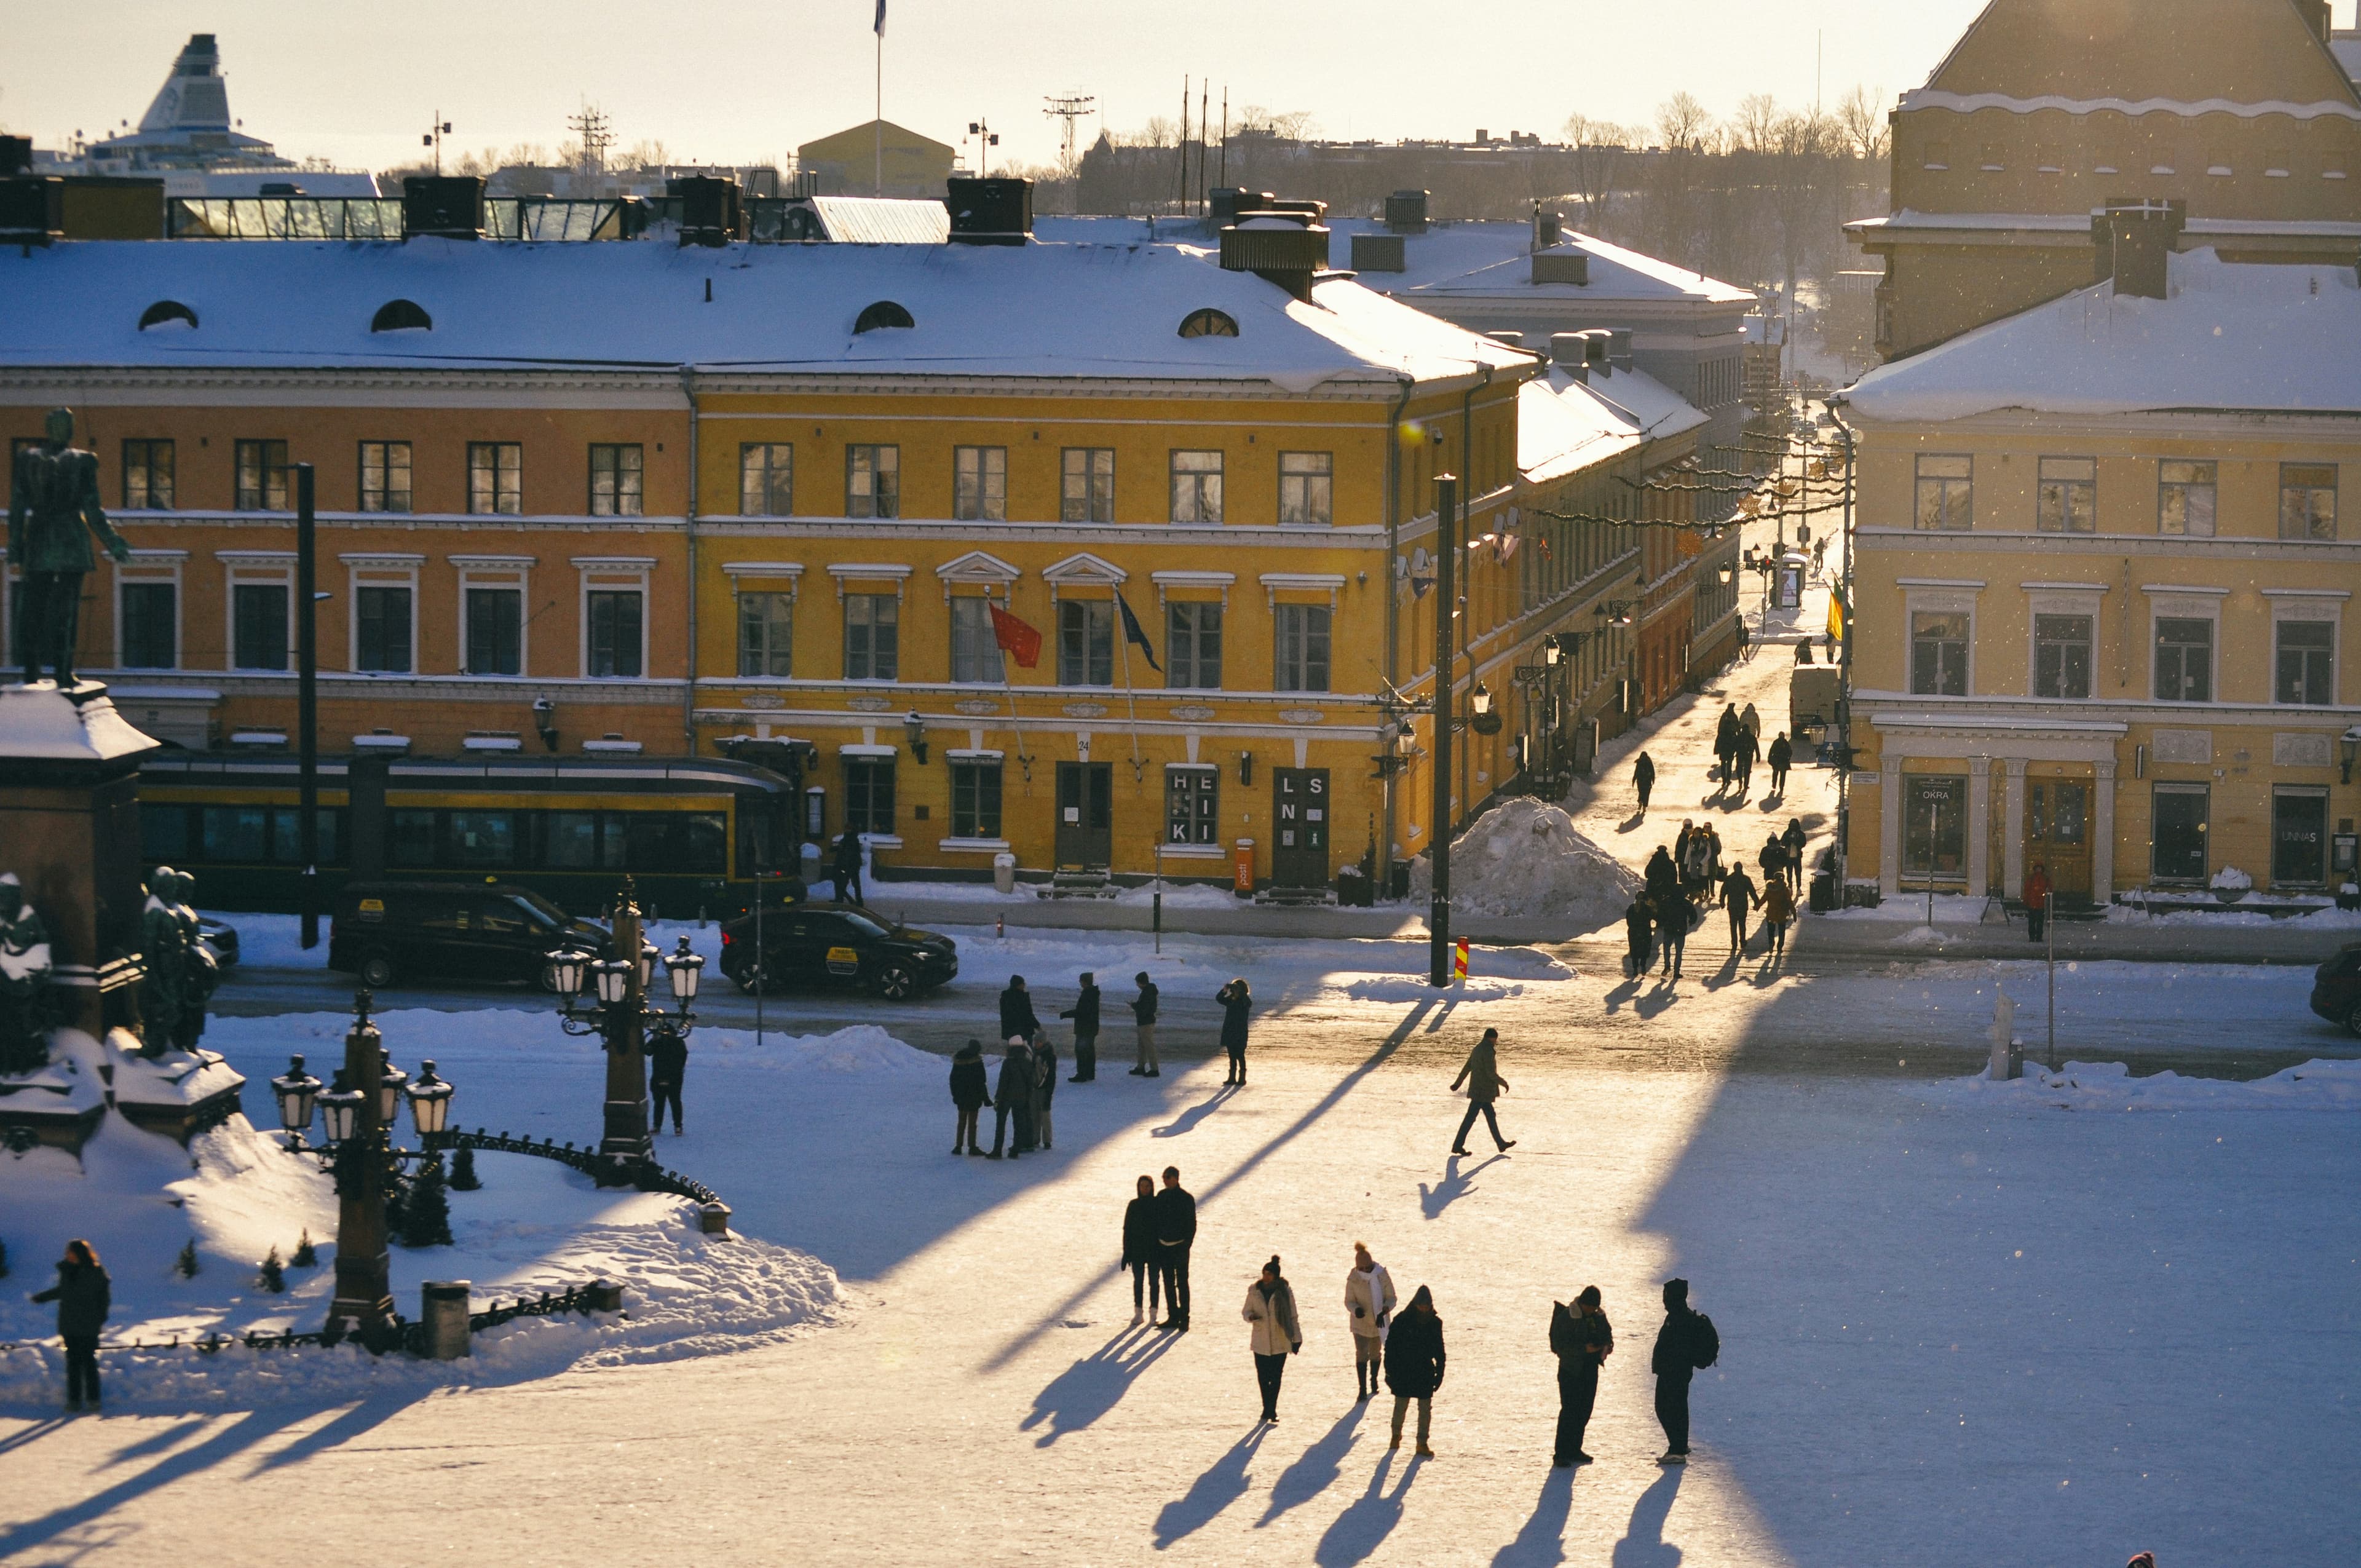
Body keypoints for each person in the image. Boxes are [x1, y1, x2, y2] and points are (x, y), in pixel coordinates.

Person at [31, 1238, 109, 1414]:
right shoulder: (68, 1272)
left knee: (89, 1363)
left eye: (70, 1252)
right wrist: (42, 1297)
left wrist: (99, 1320)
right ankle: (74, 1401)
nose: (67, 1255)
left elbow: (104, 1300)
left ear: (79, 1254)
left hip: (88, 1326)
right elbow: (62, 1291)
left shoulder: (96, 1273)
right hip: (70, 1326)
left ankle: (93, 1400)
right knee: (73, 1364)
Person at [1651, 1277, 1717, 1463]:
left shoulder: (1680, 1318)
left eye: (1666, 1296)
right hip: (1674, 1371)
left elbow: (1677, 1348)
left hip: (1674, 1372)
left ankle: (1677, 1449)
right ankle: (1679, 1445)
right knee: (1673, 1408)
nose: (1663, 1300)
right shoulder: (1678, 1315)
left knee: (1669, 1408)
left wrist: (1670, 1364)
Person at [1551, 1285, 1613, 1465]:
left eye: (1595, 1308)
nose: (1592, 1310)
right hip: (1571, 1370)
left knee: (1585, 1409)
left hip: (1589, 1368)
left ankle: (1575, 1449)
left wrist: (1606, 1345)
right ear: (1583, 1304)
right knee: (1570, 1411)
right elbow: (1558, 1346)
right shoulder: (1566, 1317)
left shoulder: (1598, 1316)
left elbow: (1608, 1333)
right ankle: (1561, 1453)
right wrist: (1583, 1349)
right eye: (1590, 1307)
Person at [1383, 1285, 1445, 1457]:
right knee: (1400, 1406)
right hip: (1403, 1371)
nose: (1424, 1308)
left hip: (1424, 1372)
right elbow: (1391, 1348)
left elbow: (1440, 1350)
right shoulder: (1402, 1320)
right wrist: (1389, 1371)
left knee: (1425, 1409)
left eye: (1427, 1305)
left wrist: (1440, 1373)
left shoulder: (1435, 1323)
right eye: (1421, 1304)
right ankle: (1396, 1436)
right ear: (1415, 1303)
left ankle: (1422, 1443)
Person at [1243, 1255, 1303, 1423]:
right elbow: (1246, 1312)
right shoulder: (1254, 1291)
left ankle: (1272, 1409)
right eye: (1264, 1273)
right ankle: (1266, 1408)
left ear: (1276, 1275)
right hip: (1260, 1342)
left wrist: (1297, 1338)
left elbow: (1293, 1316)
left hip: (1280, 1341)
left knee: (1275, 1377)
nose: (1266, 1276)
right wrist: (1251, 1317)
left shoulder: (1285, 1292)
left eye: (1269, 1274)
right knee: (1263, 1376)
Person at [1447, 1027, 1516, 1155]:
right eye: (1496, 1039)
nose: (1496, 1042)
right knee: (1470, 1119)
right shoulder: (1487, 1051)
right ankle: (1457, 1145)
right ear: (1492, 1038)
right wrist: (1503, 1083)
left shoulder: (1477, 1049)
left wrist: (1457, 1083)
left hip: (1477, 1089)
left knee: (1490, 1115)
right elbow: (1490, 1073)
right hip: (1483, 1091)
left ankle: (1500, 1143)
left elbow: (1467, 1067)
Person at [1345, 1242, 1398, 1402]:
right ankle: (1362, 1389)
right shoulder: (1353, 1279)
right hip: (1360, 1324)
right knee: (1361, 1354)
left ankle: (1373, 1380)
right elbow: (1349, 1301)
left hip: (1379, 1323)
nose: (1367, 1271)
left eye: (1369, 1267)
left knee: (1375, 1353)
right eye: (1363, 1268)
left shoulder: (1382, 1275)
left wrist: (1385, 1310)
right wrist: (1356, 1310)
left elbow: (1392, 1297)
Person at [1154, 1165, 1196, 1330]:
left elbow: (1191, 1224)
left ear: (1177, 1178)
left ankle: (1184, 1318)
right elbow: (1156, 1221)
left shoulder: (1186, 1198)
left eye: (1169, 1177)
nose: (1165, 1180)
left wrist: (1187, 1244)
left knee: (1182, 1283)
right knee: (1168, 1283)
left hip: (1180, 1247)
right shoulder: (1161, 1196)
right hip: (1164, 1247)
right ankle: (1173, 1316)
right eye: (1164, 1177)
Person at [1122, 1174, 1163, 1326]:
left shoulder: (1158, 1204)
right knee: (1138, 1281)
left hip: (1154, 1250)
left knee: (1154, 1282)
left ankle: (1154, 1313)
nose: (1145, 1189)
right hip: (1137, 1250)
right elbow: (1127, 1229)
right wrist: (1127, 1252)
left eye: (1148, 1186)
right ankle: (1138, 1313)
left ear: (1152, 1187)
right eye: (1142, 1186)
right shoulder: (1133, 1205)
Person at [988, 1036, 1036, 1158]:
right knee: (1019, 1122)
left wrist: (998, 1098)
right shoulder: (1027, 1061)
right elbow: (1030, 1081)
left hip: (1007, 1097)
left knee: (1001, 1123)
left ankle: (997, 1150)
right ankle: (1016, 1149)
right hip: (1021, 1097)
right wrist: (1028, 1096)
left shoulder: (1008, 1062)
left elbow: (1003, 1082)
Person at [647, 1021, 688, 1137]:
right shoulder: (657, 1041)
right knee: (661, 1103)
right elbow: (647, 1051)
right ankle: (659, 1126)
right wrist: (654, 1040)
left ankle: (677, 1126)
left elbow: (682, 1059)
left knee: (674, 1102)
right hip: (661, 1076)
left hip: (673, 1077)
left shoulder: (678, 1043)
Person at [949, 1039, 989, 1155]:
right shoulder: (977, 1062)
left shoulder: (958, 1061)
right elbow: (982, 1082)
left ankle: (958, 1146)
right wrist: (986, 1098)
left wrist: (955, 1095)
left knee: (961, 1122)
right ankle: (972, 1147)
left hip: (961, 1097)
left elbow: (953, 1080)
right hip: (974, 1097)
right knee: (972, 1123)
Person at [1059, 972, 1101, 1083]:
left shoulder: (1087, 994)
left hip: (1084, 1028)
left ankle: (1082, 1074)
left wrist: (1065, 1014)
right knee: (1090, 1051)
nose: (1079, 982)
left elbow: (1081, 1012)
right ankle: (1090, 1073)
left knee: (1081, 1051)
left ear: (1084, 982)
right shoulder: (1094, 993)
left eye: (1081, 980)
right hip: (1091, 1027)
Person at [1216, 977, 1252, 1086]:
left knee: (1240, 1055)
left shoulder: (1245, 1001)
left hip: (1240, 1032)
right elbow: (1219, 999)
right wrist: (1224, 990)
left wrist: (1239, 993)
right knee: (1232, 1055)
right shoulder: (1231, 1000)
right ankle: (1232, 1078)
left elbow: (1246, 1002)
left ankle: (1242, 1078)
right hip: (1230, 1031)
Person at [1128, 970, 1161, 1077]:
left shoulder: (1147, 993)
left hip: (1145, 1022)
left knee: (1148, 1046)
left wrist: (1134, 1006)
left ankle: (1154, 1069)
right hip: (1145, 1022)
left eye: (1138, 983)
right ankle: (1141, 1066)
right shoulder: (1149, 991)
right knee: (1142, 1046)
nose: (1137, 985)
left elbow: (1144, 1009)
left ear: (1142, 982)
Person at [1719, 864, 1758, 955]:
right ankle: (1743, 942)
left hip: (1732, 906)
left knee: (1733, 926)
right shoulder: (1746, 879)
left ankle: (1734, 944)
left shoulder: (1729, 879)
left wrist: (1722, 902)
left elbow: (1723, 892)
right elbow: (1752, 892)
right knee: (1742, 925)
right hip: (1743, 906)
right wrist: (1757, 903)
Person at [1760, 869, 1797, 960]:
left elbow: (1764, 899)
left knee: (1771, 930)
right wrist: (1794, 913)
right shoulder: (1784, 890)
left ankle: (1771, 944)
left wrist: (1757, 906)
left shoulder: (1770, 888)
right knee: (1781, 931)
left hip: (1771, 913)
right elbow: (1790, 902)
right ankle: (1780, 947)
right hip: (1782, 913)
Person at [999, 975, 1043, 1047]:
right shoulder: (1022, 997)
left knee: (1014, 1052)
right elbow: (1028, 1014)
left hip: (1011, 1031)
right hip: (1024, 1030)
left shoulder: (1005, 997)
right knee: (1027, 1052)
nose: (1025, 985)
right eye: (1023, 983)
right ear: (1018, 985)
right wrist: (1038, 1026)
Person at [1654, 889, 1689, 981]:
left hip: (1669, 929)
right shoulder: (1685, 902)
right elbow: (1693, 913)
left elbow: (1660, 913)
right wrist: (1692, 921)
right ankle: (1676, 972)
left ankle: (1667, 966)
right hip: (1680, 929)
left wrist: (1660, 923)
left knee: (1667, 948)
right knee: (1679, 951)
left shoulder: (1667, 901)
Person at [1033, 1031, 1059, 1150]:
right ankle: (1035, 1138)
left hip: (1044, 1090)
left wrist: (1049, 1093)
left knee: (1045, 1115)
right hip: (1035, 1089)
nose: (1035, 1044)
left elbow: (1052, 1077)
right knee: (1035, 1115)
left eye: (1037, 1042)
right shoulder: (1034, 1053)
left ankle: (1047, 1140)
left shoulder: (1049, 1057)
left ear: (1042, 1042)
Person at [1623, 895, 1655, 981]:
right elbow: (1653, 916)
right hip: (1645, 932)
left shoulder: (1631, 908)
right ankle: (1643, 965)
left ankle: (1635, 969)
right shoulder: (1648, 908)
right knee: (1644, 949)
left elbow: (1628, 920)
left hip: (1633, 932)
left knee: (1634, 950)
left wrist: (1634, 927)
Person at [831, 830, 865, 905]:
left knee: (840, 883)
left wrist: (842, 866)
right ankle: (858, 901)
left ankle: (842, 899)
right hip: (854, 866)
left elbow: (846, 853)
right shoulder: (854, 840)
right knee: (855, 884)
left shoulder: (847, 840)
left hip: (846, 867)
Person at [2025, 863, 2052, 942]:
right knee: (2033, 922)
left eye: (2039, 868)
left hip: (2039, 903)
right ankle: (2034, 937)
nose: (2038, 870)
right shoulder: (2041, 878)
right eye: (2037, 868)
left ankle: (2037, 937)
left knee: (2037, 922)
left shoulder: (2037, 878)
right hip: (2036, 903)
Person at [1758, 832, 1789, 896]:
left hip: (1769, 873)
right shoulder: (1781, 850)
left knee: (1769, 892)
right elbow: (1786, 860)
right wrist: (1780, 865)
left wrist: (1767, 865)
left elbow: (1761, 861)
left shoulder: (1765, 850)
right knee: (1778, 891)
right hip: (1777, 873)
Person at [1767, 731, 1793, 798]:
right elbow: (1790, 752)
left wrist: (1770, 758)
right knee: (1783, 775)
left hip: (1776, 761)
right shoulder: (1785, 743)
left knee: (1775, 773)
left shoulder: (1776, 742)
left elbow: (1771, 751)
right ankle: (1781, 787)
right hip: (1784, 761)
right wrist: (1788, 758)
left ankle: (1774, 784)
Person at [1633, 751, 1656, 815]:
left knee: (1641, 792)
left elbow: (1636, 772)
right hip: (1647, 781)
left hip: (1640, 781)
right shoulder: (1649, 762)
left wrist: (1634, 779)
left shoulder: (1639, 762)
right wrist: (1653, 779)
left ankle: (1640, 801)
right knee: (1646, 794)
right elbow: (1652, 771)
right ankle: (1645, 806)